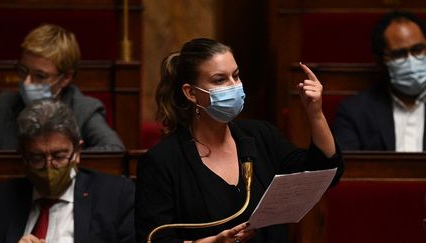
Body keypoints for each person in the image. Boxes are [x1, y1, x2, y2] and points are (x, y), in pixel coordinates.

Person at [135, 38, 344, 243]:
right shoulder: (162, 161)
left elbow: (324, 173)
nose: (234, 86)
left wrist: (315, 114)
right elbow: (153, 237)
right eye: (220, 80)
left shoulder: (260, 135)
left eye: (236, 76)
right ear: (191, 93)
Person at [0, 99, 135, 243]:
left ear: (77, 152)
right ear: (24, 156)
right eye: (37, 158)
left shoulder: (115, 196)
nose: (49, 167)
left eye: (59, 156)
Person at [0, 24, 125, 151]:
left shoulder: (84, 110)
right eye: (23, 71)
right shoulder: (5, 105)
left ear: (66, 78)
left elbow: (115, 150)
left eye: (40, 76)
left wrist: (65, 159)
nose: (27, 82)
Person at [332, 11, 426, 151]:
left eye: (418, 50)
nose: (411, 61)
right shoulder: (355, 112)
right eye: (399, 54)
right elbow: (348, 168)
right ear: (381, 61)